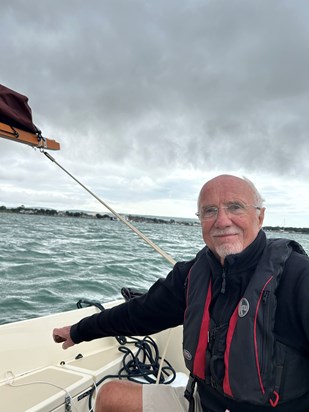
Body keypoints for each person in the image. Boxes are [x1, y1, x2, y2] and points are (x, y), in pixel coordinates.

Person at [53, 175, 309, 412]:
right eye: (210, 211)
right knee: (110, 396)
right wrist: (79, 331)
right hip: (203, 405)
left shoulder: (297, 278)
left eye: (235, 207)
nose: (222, 221)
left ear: (260, 217)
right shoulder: (192, 275)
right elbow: (140, 312)